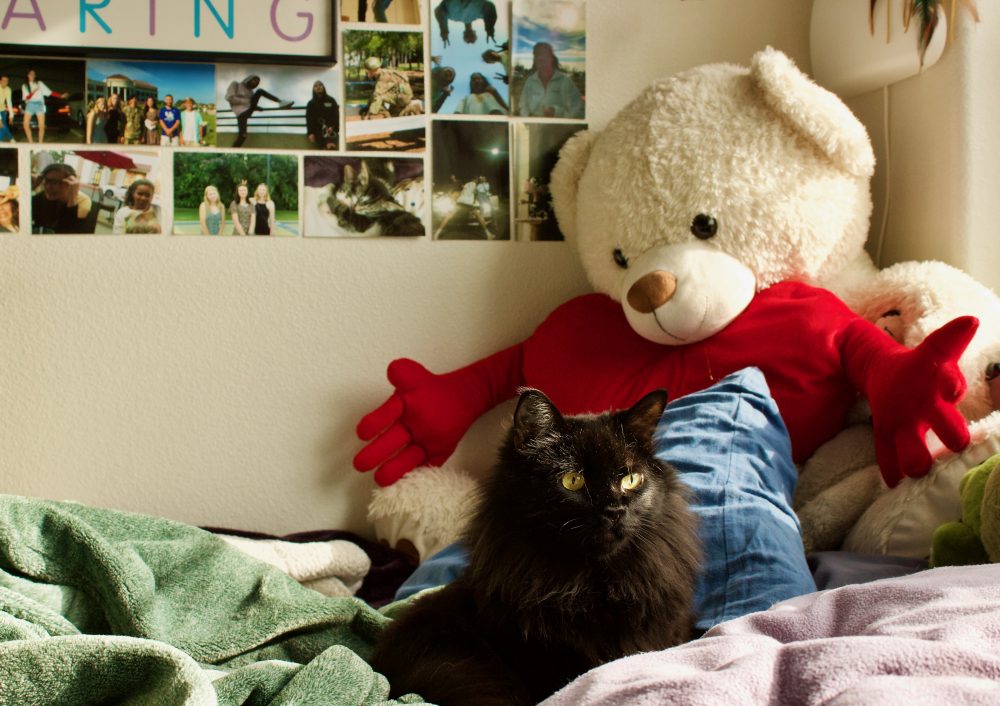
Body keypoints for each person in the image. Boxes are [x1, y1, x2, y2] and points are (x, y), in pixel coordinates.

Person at [518, 42, 584, 119]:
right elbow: (522, 106)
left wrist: (556, 112)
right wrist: (529, 118)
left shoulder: (565, 81)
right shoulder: (530, 81)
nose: (539, 58)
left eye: (543, 54)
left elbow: (579, 111)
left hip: (560, 129)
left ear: (551, 58)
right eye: (536, 55)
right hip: (534, 129)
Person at [225, 75, 293, 148]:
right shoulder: (235, 84)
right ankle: (232, 150)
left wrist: (256, 107)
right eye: (255, 80)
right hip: (240, 112)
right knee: (243, 136)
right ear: (249, 79)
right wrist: (247, 102)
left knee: (259, 91)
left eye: (258, 82)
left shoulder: (251, 92)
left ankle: (281, 101)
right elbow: (229, 97)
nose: (256, 82)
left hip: (248, 110)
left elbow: (251, 104)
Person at [31, 163, 94, 234]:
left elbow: (71, 232)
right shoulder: (42, 197)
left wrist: (72, 198)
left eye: (55, 182)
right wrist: (33, 187)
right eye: (47, 180)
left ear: (70, 184)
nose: (48, 187)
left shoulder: (83, 201)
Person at [22, 68, 66, 144]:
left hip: (39, 104)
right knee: (25, 124)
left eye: (33, 74)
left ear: (35, 75)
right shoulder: (25, 86)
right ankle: (31, 142)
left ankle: (40, 142)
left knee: (42, 125)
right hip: (30, 104)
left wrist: (60, 96)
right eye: (30, 74)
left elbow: (49, 92)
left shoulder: (39, 83)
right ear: (27, 75)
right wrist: (33, 92)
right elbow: (26, 98)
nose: (32, 75)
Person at [306, 81, 339, 150]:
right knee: (322, 149)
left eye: (320, 85)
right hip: (318, 131)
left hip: (331, 129)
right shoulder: (310, 104)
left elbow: (336, 115)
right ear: (313, 89)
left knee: (331, 147)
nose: (318, 87)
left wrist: (332, 127)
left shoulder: (331, 100)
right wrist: (310, 133)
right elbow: (309, 119)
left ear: (323, 87)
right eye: (315, 86)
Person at [0, 74, 15, 143]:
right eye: (3, 80)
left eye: (7, 81)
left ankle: (1, 140)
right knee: (2, 125)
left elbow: (9, 102)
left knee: (3, 125)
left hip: (2, 109)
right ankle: (11, 138)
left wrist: (11, 116)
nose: (5, 82)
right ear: (0, 81)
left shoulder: (8, 89)